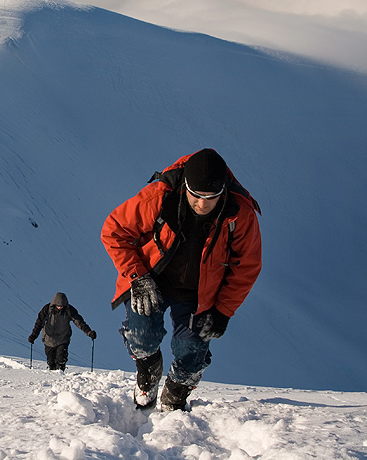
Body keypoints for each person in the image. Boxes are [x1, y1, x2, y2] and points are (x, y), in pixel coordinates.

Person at [100, 149, 262, 411]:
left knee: (191, 352)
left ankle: (175, 394)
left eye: (211, 197)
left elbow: (247, 267)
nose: (202, 204)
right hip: (153, 282)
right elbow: (114, 230)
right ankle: (148, 372)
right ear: (186, 184)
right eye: (196, 195)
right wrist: (137, 276)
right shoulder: (160, 197)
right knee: (141, 337)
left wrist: (223, 312)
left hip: (199, 295)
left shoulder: (239, 213)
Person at [29, 292, 97, 371]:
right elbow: (39, 323)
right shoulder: (47, 309)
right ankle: (52, 377)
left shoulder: (69, 310)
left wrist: (89, 332)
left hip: (63, 339)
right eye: (58, 306)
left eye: (61, 306)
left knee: (61, 360)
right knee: (51, 362)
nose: (60, 308)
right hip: (49, 339)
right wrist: (34, 335)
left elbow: (79, 322)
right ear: (54, 304)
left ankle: (61, 375)